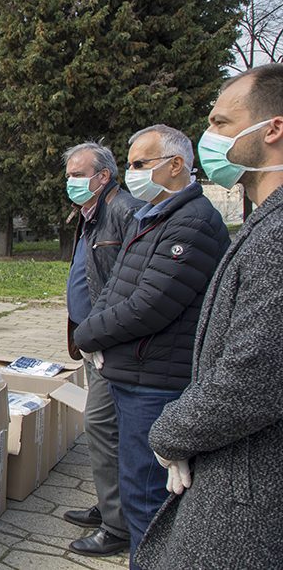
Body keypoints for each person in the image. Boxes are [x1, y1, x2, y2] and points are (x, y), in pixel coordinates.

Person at [135, 64, 283, 569]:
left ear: (272, 128)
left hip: (247, 489)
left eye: (221, 123)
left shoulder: (277, 236)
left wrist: (171, 432)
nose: (209, 137)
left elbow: (251, 379)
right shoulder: (263, 222)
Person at [74, 125, 230, 569]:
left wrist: (88, 336)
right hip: (134, 375)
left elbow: (149, 304)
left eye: (141, 164)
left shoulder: (193, 222)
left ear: (175, 165)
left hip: (156, 383)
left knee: (148, 501)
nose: (132, 173)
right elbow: (115, 286)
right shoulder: (153, 216)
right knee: (136, 485)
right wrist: (94, 330)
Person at [62, 141, 141, 557]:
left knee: (102, 427)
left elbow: (129, 285)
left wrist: (101, 334)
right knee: (104, 430)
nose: (71, 182)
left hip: (112, 345)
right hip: (95, 344)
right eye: (69, 175)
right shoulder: (91, 214)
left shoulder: (123, 212)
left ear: (103, 176)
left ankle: (119, 527)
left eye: (78, 174)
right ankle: (111, 505)